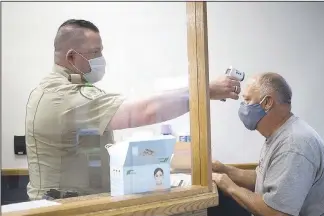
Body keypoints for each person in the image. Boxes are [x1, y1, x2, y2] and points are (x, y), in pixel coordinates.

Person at [25, 19, 241, 200]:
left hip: (76, 205)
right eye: (95, 52)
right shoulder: (65, 96)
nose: (101, 59)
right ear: (72, 57)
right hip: (61, 213)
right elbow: (146, 110)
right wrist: (205, 90)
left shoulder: (59, 90)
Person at [212, 72, 324, 216]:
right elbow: (265, 179)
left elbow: (278, 213)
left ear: (267, 102)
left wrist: (229, 186)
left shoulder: (293, 144)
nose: (243, 107)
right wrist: (224, 169)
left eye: (248, 100)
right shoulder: (277, 136)